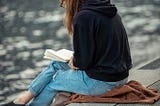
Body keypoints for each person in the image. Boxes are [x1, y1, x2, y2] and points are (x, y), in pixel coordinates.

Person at [4, 0, 132, 106]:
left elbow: (83, 62)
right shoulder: (106, 10)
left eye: (62, 3)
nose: (62, 5)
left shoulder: (83, 17)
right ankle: (23, 100)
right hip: (120, 75)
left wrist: (75, 61)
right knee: (56, 63)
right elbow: (98, 51)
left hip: (104, 83)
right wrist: (76, 59)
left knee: (55, 81)